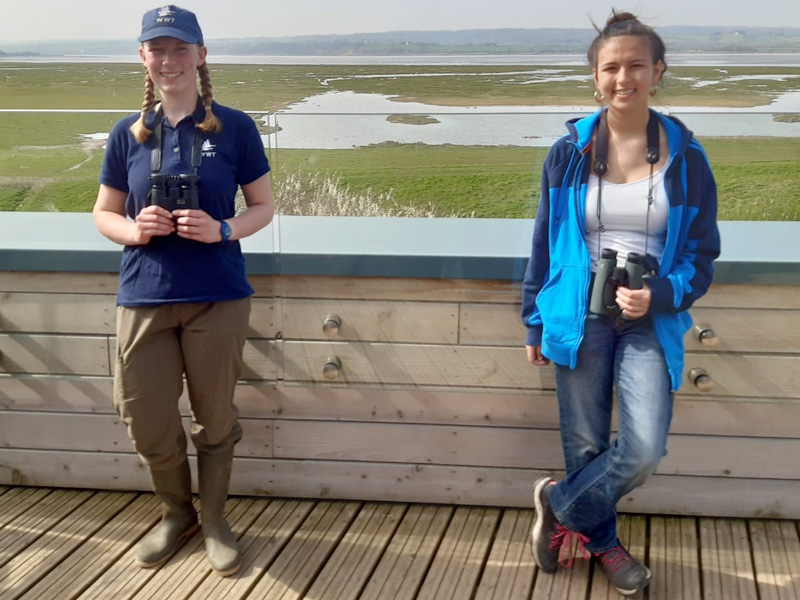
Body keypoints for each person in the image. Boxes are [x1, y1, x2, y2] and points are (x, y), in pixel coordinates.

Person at [521, 10, 720, 595]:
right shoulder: (568, 154)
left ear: (658, 72)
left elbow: (703, 255)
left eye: (636, 65)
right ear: (595, 77)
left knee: (643, 449)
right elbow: (544, 242)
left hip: (647, 319)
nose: (623, 77)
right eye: (611, 67)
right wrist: (533, 317)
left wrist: (658, 293)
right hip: (576, 314)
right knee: (583, 443)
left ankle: (557, 504)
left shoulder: (687, 159)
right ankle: (603, 544)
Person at [93, 5, 274, 576]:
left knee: (214, 415)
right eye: (157, 49)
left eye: (179, 49)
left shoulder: (236, 127)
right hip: (144, 292)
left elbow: (263, 207)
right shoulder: (129, 133)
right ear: (143, 58)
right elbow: (104, 214)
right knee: (143, 415)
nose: (169, 60)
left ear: (200, 55)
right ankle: (177, 513)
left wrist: (222, 228)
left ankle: (215, 520)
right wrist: (135, 228)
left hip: (217, 293)